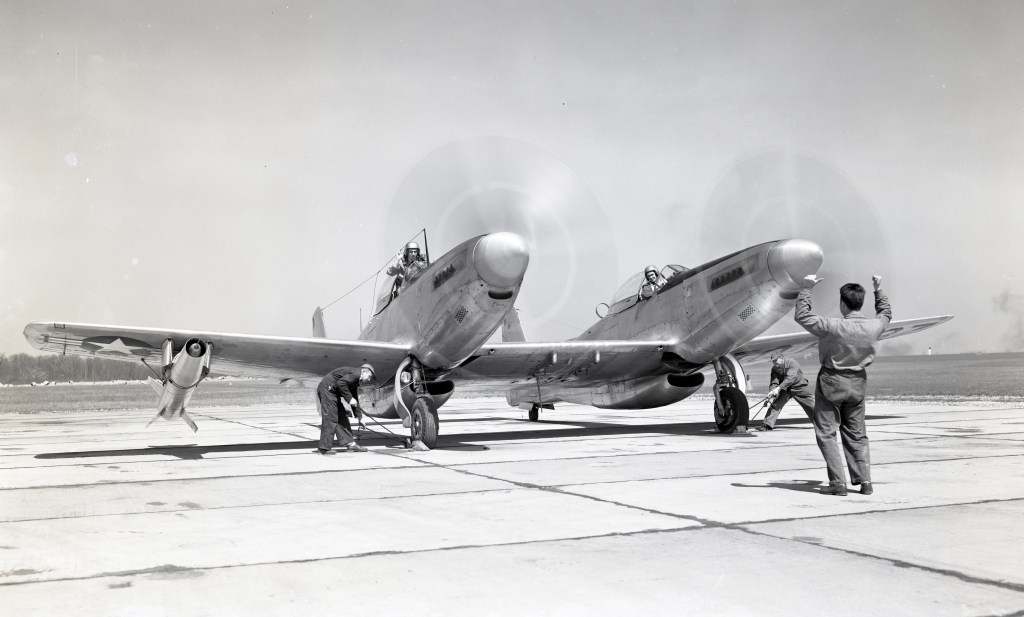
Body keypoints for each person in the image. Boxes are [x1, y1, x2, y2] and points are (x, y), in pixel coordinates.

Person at [795, 274, 891, 496]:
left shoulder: (831, 326)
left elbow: (802, 315)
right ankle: (865, 482)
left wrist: (806, 288)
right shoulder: (874, 326)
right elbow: (886, 313)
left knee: (827, 433)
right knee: (857, 434)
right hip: (858, 383)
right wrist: (878, 289)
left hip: (831, 381)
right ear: (860, 302)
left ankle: (838, 483)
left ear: (842, 303)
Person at [316, 363, 376, 454]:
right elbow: (341, 383)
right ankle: (323, 448)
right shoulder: (356, 374)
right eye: (369, 376)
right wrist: (349, 398)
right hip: (327, 390)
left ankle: (350, 444)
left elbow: (355, 400)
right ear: (363, 372)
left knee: (342, 417)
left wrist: (360, 418)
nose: (369, 379)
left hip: (333, 393)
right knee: (330, 418)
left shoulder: (355, 381)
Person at [757, 353, 814, 431]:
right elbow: (774, 382)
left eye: (776, 360)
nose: (774, 362)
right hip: (785, 389)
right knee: (776, 405)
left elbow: (790, 378)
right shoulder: (774, 369)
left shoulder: (792, 363)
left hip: (799, 387)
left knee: (811, 405)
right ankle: (767, 425)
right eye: (773, 361)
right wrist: (772, 392)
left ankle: (822, 423)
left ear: (781, 358)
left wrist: (778, 389)